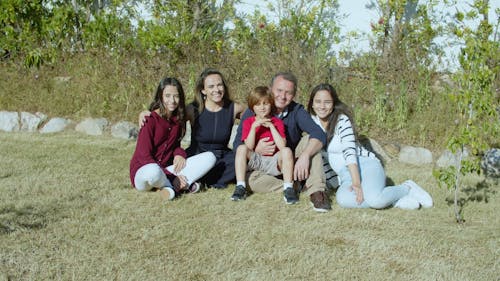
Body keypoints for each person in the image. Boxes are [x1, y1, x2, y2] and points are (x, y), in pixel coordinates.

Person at [307, 83, 433, 209]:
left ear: (334, 103)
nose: (322, 106)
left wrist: (356, 183)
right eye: (318, 102)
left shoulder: (341, 120)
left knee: (374, 200)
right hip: (345, 175)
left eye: (327, 102)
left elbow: (349, 152)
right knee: (343, 200)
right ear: (312, 103)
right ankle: (392, 200)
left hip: (364, 165)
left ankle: (407, 187)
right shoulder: (311, 123)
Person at [233, 72, 331, 212]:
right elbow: (237, 146)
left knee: (311, 141)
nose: (283, 96)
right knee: (250, 181)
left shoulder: (296, 111)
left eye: (288, 93)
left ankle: (317, 191)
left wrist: (305, 156)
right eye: (279, 90)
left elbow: (319, 134)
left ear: (294, 95)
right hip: (262, 166)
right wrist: (255, 148)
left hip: (288, 160)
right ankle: (293, 187)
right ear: (270, 89)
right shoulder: (253, 111)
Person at [140, 68, 245, 189]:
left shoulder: (234, 108)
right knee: (185, 164)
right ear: (203, 90)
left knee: (241, 158)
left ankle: (199, 180)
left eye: (219, 85)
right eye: (211, 86)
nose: (216, 90)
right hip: (197, 156)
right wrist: (147, 113)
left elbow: (254, 115)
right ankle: (203, 179)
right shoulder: (192, 109)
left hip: (223, 158)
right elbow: (168, 117)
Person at [130, 77, 216, 201]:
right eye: (168, 96)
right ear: (161, 96)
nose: (172, 100)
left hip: (166, 170)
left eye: (176, 96)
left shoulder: (178, 120)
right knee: (154, 172)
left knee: (210, 157)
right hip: (144, 171)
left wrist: (179, 154)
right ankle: (180, 185)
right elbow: (144, 157)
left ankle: (168, 188)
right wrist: (170, 176)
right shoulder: (149, 120)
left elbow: (175, 145)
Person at [231, 86, 295, 204]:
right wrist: (254, 127)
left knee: (287, 151)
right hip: (257, 161)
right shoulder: (248, 122)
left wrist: (271, 127)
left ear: (271, 104)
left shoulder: (277, 122)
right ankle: (240, 186)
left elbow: (282, 146)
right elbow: (248, 147)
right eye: (258, 104)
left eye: (265, 103)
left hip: (273, 161)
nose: (262, 107)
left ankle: (288, 188)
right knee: (241, 148)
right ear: (252, 107)